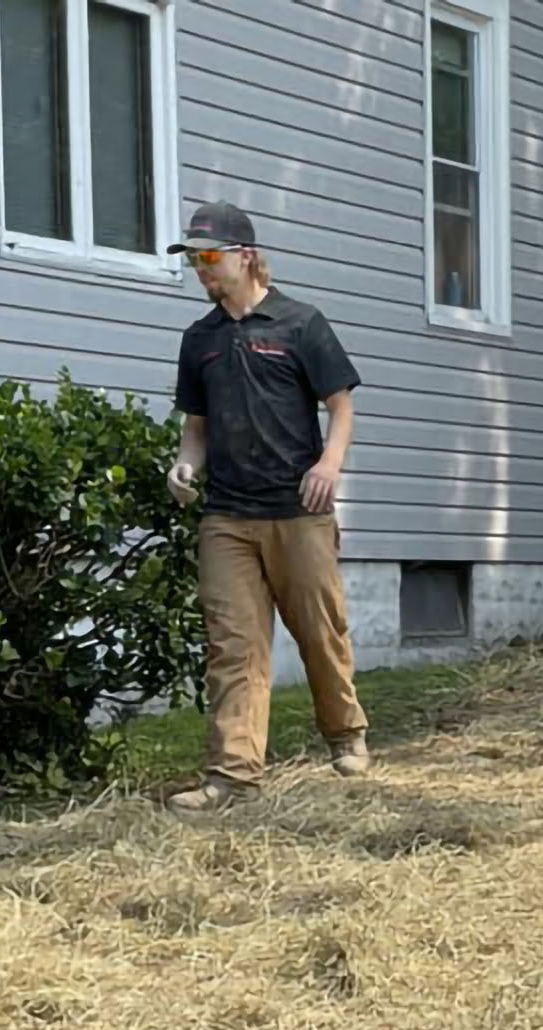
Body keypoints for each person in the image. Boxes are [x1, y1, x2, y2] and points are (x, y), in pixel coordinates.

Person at [164, 201, 370, 814]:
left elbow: (341, 406)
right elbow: (195, 426)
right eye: (193, 259)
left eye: (209, 257)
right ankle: (232, 776)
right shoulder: (199, 339)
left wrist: (328, 466)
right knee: (233, 645)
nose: (200, 269)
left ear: (245, 256)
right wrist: (184, 465)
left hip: (297, 511)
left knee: (319, 630)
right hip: (226, 516)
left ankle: (345, 735)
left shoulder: (301, 323)